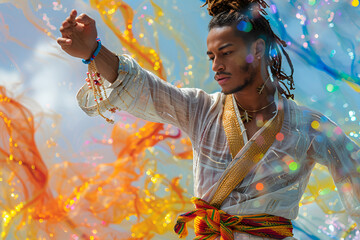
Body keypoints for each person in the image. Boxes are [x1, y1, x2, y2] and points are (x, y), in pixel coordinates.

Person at [57, 0, 360, 239]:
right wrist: (94, 51)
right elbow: (145, 89)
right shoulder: (200, 109)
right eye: (212, 57)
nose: (217, 65)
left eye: (226, 53)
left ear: (257, 49)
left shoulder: (308, 126)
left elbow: (354, 174)